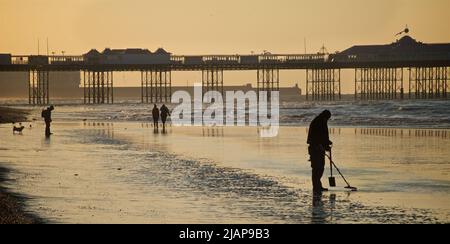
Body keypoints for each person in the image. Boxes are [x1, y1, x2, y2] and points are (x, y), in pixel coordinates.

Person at [307, 110, 332, 194]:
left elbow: (323, 136)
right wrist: (320, 145)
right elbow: (316, 136)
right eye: (328, 118)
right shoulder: (319, 122)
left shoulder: (320, 121)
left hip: (318, 148)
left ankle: (318, 186)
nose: (327, 120)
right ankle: (316, 187)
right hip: (315, 148)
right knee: (317, 168)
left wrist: (327, 142)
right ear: (325, 116)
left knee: (320, 168)